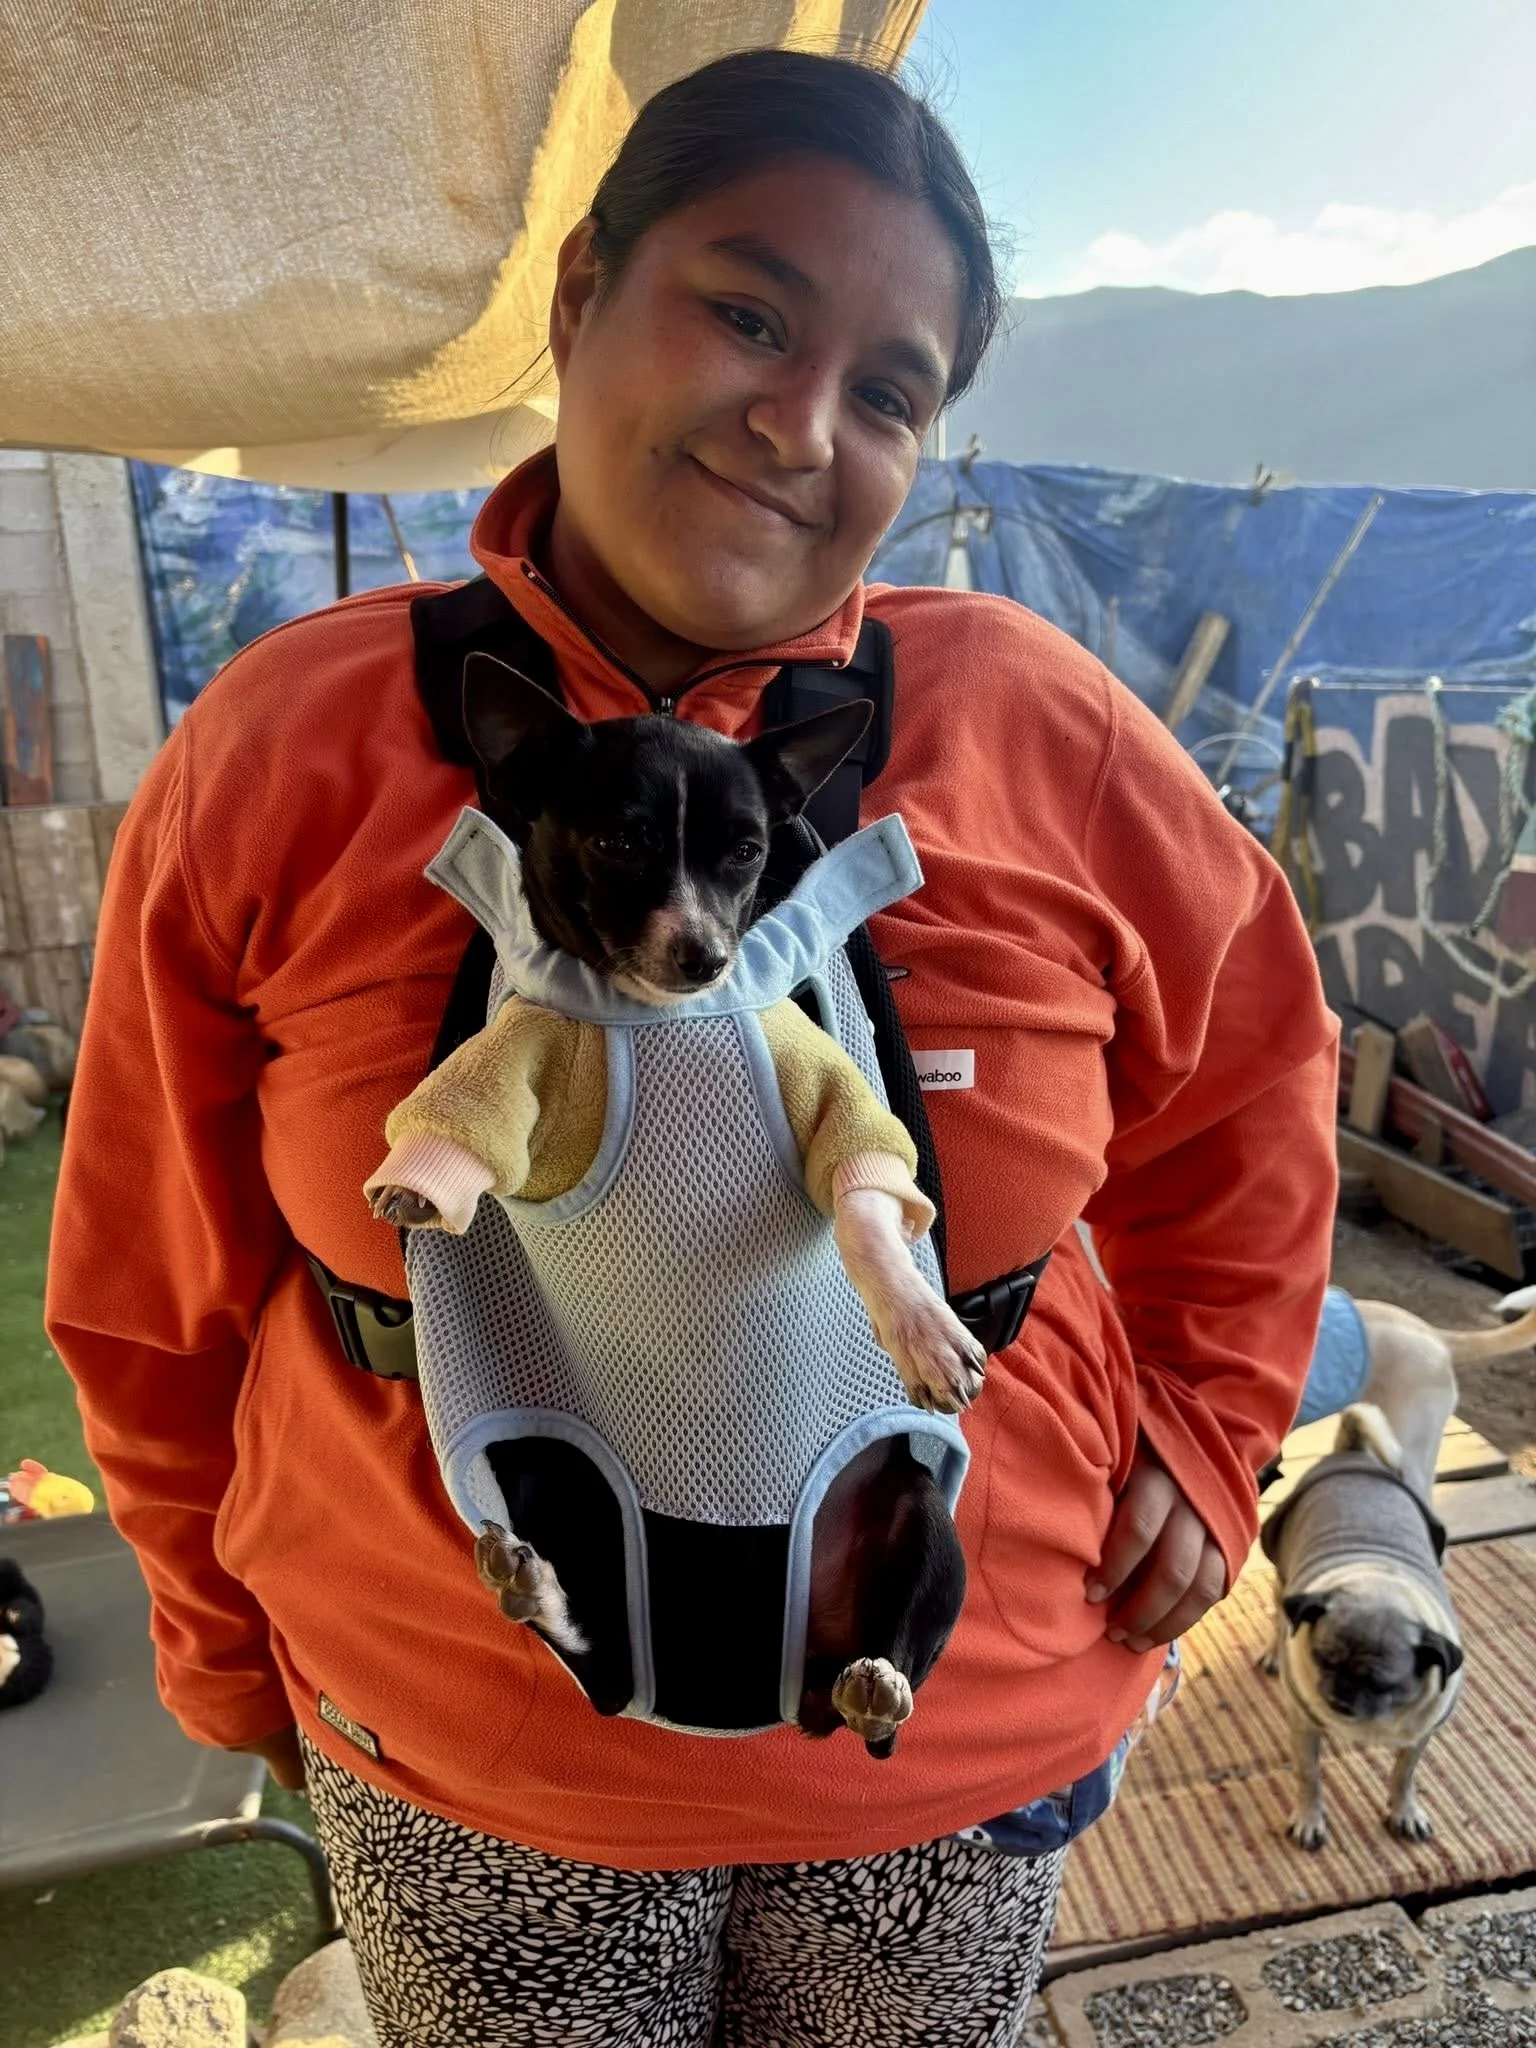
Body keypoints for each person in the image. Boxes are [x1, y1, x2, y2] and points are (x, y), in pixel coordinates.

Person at [47, 47, 1338, 2048]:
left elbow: (1254, 1076)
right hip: (471, 1740)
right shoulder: (284, 755)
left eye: (889, 391)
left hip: (954, 1718)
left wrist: (1208, 1416)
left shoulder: (1039, 727)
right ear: (582, 294)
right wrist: (222, 1650)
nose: (801, 423)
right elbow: (150, 1281)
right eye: (747, 313)